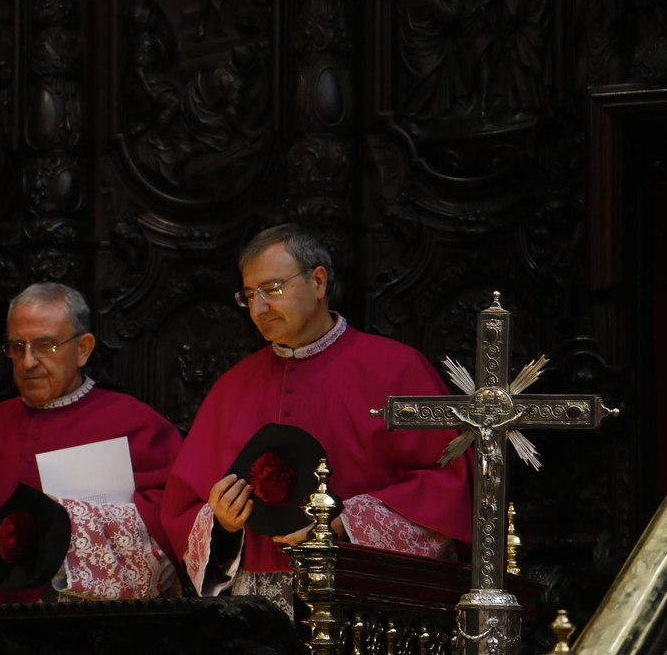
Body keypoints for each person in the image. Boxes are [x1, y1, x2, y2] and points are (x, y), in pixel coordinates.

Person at [161, 223, 472, 610]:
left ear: (319, 282)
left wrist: (344, 522)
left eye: (272, 289)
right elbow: (183, 510)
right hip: (262, 610)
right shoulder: (231, 387)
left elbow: (446, 486)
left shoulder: (397, 370)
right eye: (249, 295)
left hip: (364, 598)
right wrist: (222, 522)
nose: (259, 308)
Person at [0, 283, 183, 603]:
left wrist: (75, 527)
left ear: (83, 349)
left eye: (45, 345)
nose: (28, 362)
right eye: (17, 346)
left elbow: (172, 522)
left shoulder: (135, 424)